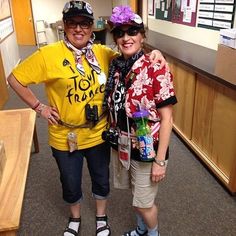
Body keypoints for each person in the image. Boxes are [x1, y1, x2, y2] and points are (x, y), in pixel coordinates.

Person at [7, 1, 167, 236]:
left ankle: (101, 216)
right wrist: (38, 106)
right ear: (64, 25)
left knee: (101, 178)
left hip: (98, 132)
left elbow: (130, 55)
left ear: (93, 27)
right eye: (73, 23)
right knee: (70, 181)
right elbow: (14, 79)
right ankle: (75, 218)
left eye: (85, 24)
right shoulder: (47, 55)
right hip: (64, 134)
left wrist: (154, 52)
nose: (79, 29)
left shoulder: (103, 54)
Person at [103, 5, 177, 236]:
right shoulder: (115, 66)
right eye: (120, 33)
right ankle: (141, 230)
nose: (126, 38)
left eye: (132, 31)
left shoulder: (156, 68)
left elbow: (167, 120)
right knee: (135, 195)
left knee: (143, 203)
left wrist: (160, 161)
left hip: (148, 149)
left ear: (143, 36)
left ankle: (152, 234)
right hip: (123, 144)